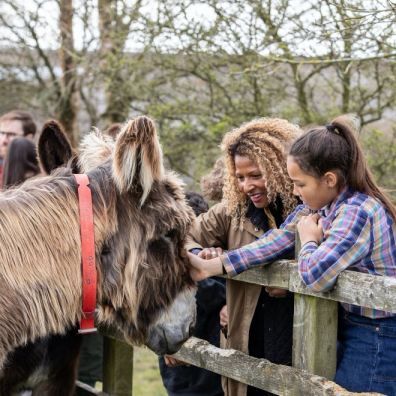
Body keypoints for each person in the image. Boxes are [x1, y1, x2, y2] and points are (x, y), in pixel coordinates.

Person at [188, 115, 396, 395]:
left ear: (329, 179)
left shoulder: (357, 212)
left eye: (300, 184)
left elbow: (315, 276)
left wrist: (309, 240)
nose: (295, 192)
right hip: (356, 325)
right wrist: (213, 266)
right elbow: (277, 240)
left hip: (378, 332)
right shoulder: (323, 207)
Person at [186, 118, 302, 396]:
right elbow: (181, 236)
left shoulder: (310, 208)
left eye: (256, 175)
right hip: (247, 349)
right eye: (240, 177)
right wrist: (198, 253)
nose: (247, 186)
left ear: (279, 168)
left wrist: (290, 287)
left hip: (297, 345)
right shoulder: (231, 212)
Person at [159, 191, 225, 396]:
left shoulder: (214, 259)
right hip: (179, 374)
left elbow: (220, 296)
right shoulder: (162, 268)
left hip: (214, 373)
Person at [0, 110, 37, 186]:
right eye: (2, 133)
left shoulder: (39, 175)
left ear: (28, 138)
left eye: (11, 134)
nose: (4, 140)